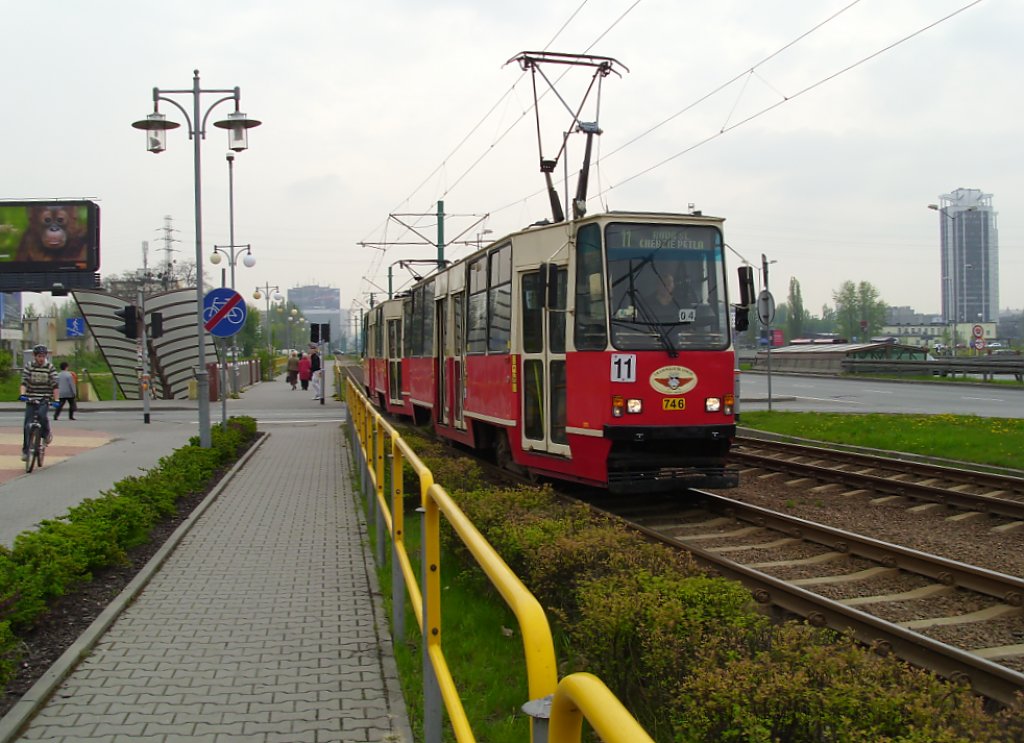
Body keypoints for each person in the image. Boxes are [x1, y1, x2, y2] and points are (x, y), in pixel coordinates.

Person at [20, 344, 59, 461]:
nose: (41, 358)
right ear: (34, 356)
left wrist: (56, 399)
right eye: (39, 356)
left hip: (44, 398)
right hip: (31, 398)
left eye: (43, 356)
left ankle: (46, 434)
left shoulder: (49, 367)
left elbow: (55, 385)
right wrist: (22, 394)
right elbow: (24, 382)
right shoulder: (29, 366)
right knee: (27, 425)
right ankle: (26, 451)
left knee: (42, 416)